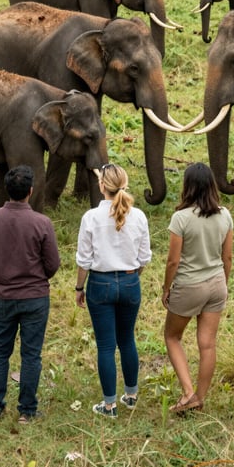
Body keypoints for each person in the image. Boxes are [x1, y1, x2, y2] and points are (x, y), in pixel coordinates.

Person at [0, 166, 60, 424]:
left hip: (3, 295)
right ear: (31, 191)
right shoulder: (42, 222)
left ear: (6, 190)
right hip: (35, 297)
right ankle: (27, 410)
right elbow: (53, 264)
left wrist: (2, 270)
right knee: (31, 354)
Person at [75, 163, 152, 417]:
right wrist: (131, 277)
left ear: (101, 186)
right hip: (130, 282)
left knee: (106, 346)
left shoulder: (91, 217)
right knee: (127, 339)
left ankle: (109, 404)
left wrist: (79, 287)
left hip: (100, 283)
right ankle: (131, 394)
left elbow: (84, 260)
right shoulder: (139, 216)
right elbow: (144, 258)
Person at [161, 163, 233, 414]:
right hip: (216, 284)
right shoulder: (225, 214)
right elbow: (228, 258)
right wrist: (223, 281)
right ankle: (199, 398)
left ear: (187, 187)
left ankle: (189, 393)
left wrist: (166, 287)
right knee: (207, 344)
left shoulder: (180, 218)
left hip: (189, 285)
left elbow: (173, 260)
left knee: (172, 336)